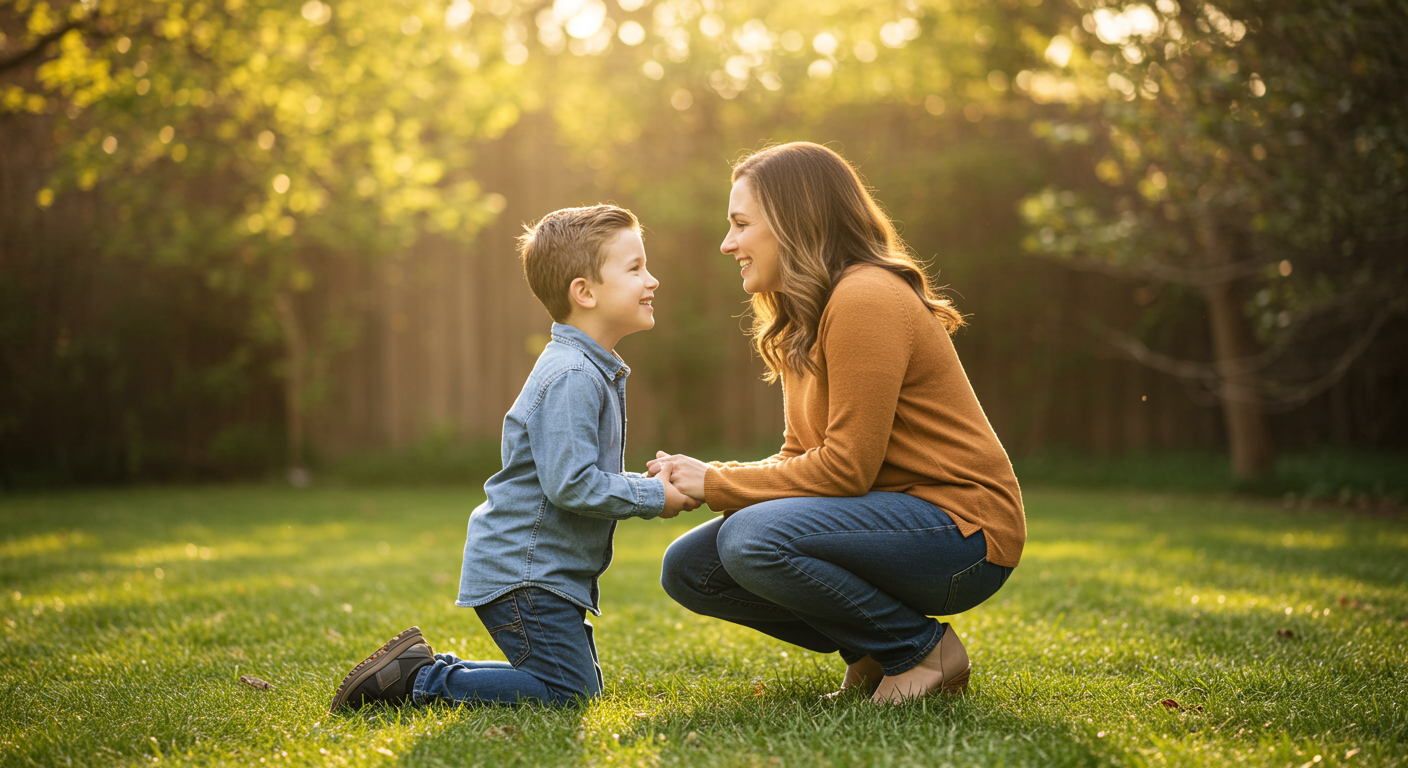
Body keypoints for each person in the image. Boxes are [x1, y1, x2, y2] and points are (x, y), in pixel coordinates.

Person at [649, 142, 1026, 704]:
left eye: (741, 224)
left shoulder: (866, 297)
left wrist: (719, 483)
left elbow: (847, 468)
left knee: (752, 538)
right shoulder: (808, 313)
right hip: (891, 521)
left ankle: (921, 651)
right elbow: (801, 455)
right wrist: (706, 478)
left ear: (792, 222)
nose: (728, 243)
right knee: (691, 567)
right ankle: (872, 651)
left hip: (961, 533)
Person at [329, 204, 699, 713]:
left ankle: (417, 669)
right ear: (584, 292)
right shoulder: (573, 375)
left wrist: (650, 480)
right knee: (569, 695)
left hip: (538, 573)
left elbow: (574, 476)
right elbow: (571, 485)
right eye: (635, 268)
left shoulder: (587, 368)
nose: (651, 279)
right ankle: (419, 682)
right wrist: (653, 495)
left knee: (570, 683)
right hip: (525, 573)